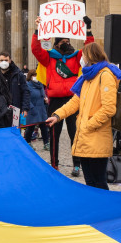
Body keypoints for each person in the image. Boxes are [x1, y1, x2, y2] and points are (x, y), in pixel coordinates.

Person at [46, 42, 121, 189]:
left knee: (99, 183)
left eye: (84, 55)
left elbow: (108, 109)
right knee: (90, 183)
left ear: (90, 56)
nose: (81, 58)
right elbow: (75, 101)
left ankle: (104, 211)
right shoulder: (87, 76)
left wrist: (89, 125)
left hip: (95, 136)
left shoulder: (105, 75)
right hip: (85, 137)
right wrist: (57, 116)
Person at [31, 16, 95, 176]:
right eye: (63, 41)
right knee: (54, 134)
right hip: (55, 100)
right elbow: (36, 50)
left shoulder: (76, 57)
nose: (67, 43)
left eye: (68, 40)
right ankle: (54, 164)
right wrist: (37, 30)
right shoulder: (49, 57)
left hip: (73, 100)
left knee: (75, 133)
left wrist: (88, 29)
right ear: (57, 43)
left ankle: (77, 164)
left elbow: (90, 49)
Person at [0, 52, 32, 120]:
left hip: (15, 110)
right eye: (1, 60)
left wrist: (25, 108)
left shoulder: (18, 74)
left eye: (6, 60)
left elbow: (25, 91)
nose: (4, 62)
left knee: (14, 130)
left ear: (10, 61)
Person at [24, 68, 50, 149]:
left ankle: (46, 143)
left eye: (36, 75)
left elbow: (43, 95)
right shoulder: (28, 85)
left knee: (44, 128)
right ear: (30, 76)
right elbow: (27, 98)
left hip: (41, 109)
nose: (35, 77)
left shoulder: (40, 84)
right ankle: (27, 142)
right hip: (33, 109)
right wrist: (31, 108)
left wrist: (46, 99)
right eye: (34, 75)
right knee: (30, 127)